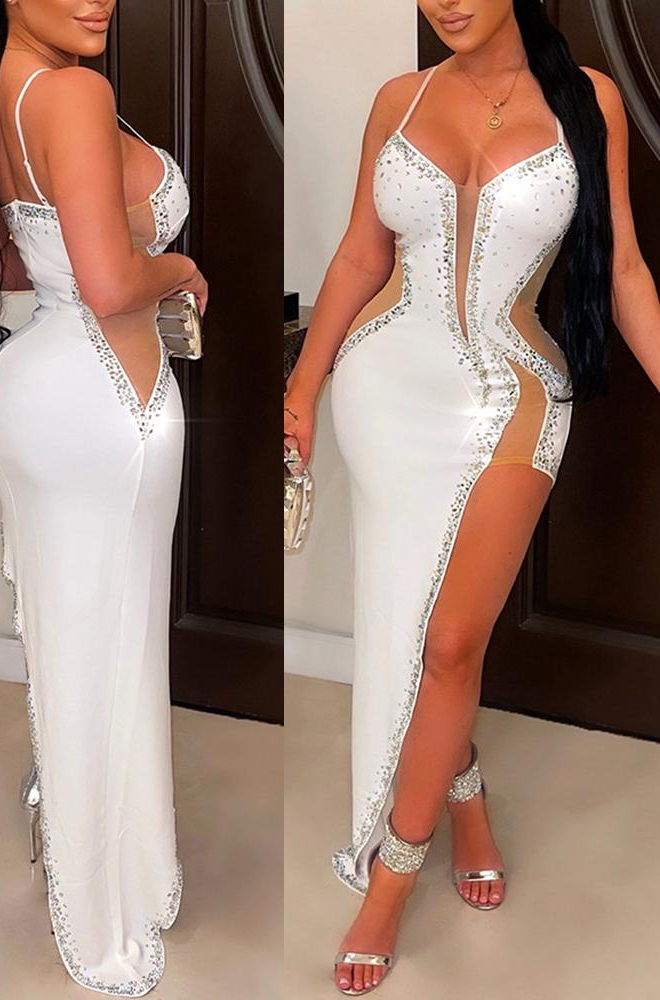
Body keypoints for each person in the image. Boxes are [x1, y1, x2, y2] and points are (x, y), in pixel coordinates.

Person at [283, 0, 660, 995]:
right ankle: (463, 793)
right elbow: (361, 255)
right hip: (384, 386)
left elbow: (623, 268)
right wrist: (303, 384)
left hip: (511, 392)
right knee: (413, 629)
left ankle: (389, 880)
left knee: (451, 641)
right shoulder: (398, 100)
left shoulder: (589, 101)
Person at [0, 1, 207, 994]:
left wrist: (102, 251)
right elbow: (107, 284)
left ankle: (76, 827)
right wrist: (180, 267)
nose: (100, 0)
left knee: (73, 646)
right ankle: (99, 902)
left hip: (30, 393)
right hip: (100, 406)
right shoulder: (73, 92)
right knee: (112, 653)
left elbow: (7, 258)